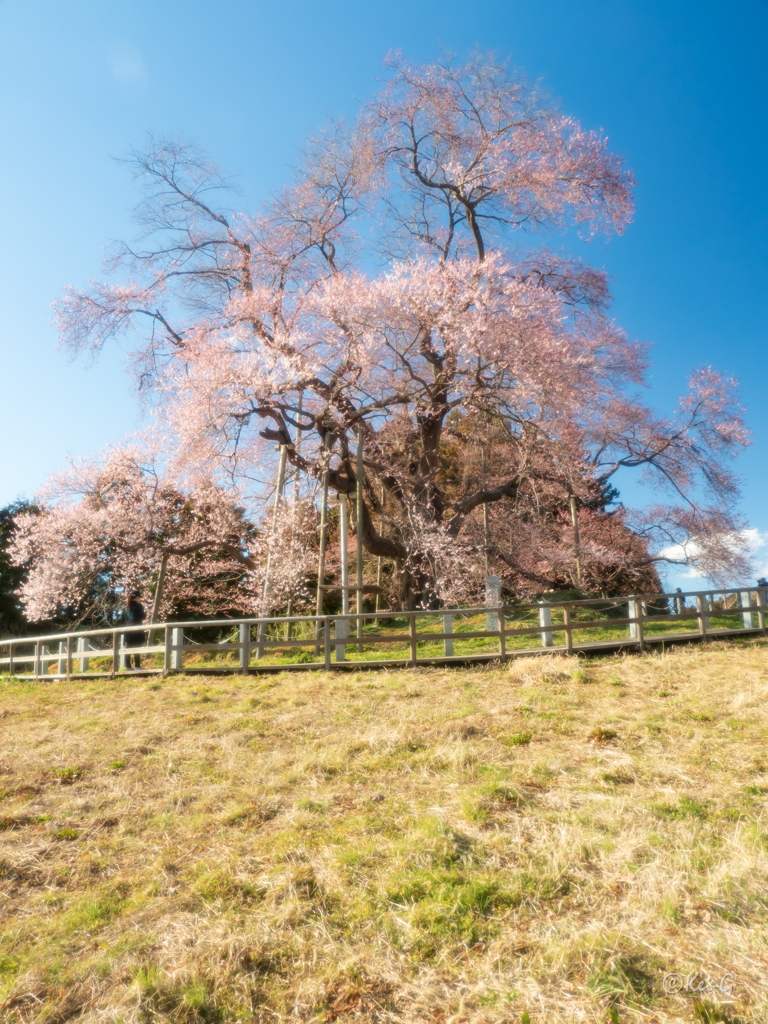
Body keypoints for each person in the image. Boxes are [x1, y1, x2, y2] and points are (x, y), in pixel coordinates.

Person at [124, 590, 146, 669]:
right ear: (137, 597)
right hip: (137, 627)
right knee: (137, 646)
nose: (140, 599)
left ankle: (128, 667)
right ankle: (137, 665)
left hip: (128, 628)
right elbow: (143, 617)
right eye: (139, 597)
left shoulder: (127, 606)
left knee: (128, 648)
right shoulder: (139, 605)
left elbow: (126, 618)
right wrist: (145, 612)